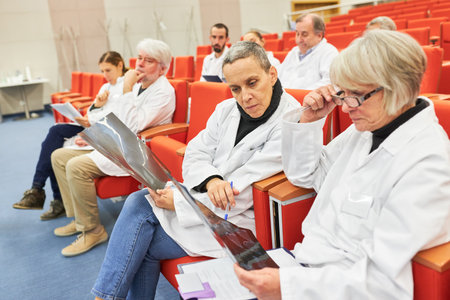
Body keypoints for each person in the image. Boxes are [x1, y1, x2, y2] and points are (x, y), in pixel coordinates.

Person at [234, 30, 450, 299]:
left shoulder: (427, 164)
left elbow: (383, 285)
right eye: (342, 93)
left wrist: (289, 287)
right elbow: (305, 175)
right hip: (305, 264)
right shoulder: (370, 126)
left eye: (355, 95)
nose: (345, 108)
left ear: (397, 88)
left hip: (336, 285)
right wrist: (310, 121)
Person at [91, 41, 301, 300]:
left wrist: (179, 202)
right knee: (140, 208)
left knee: (140, 229)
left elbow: (242, 194)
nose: (245, 96)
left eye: (252, 83)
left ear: (271, 74)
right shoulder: (227, 110)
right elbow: (195, 153)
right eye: (235, 88)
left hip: (238, 221)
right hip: (205, 202)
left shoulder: (291, 121)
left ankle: (104, 297)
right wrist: (212, 179)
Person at [51, 38, 175, 257]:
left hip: (138, 151)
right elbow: (114, 117)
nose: (139, 64)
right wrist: (93, 135)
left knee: (76, 167)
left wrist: (126, 88)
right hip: (118, 141)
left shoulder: (163, 92)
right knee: (59, 156)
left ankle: (92, 231)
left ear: (163, 68)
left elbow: (129, 126)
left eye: (148, 60)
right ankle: (79, 220)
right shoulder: (139, 87)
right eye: (139, 58)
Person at [12, 51, 126, 220]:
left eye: (108, 70)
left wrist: (91, 128)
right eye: (102, 71)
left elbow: (120, 118)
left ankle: (42, 192)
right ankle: (41, 191)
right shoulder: (105, 87)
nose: (104, 75)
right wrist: (96, 106)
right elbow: (91, 113)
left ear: (120, 65)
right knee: (55, 134)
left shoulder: (127, 87)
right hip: (92, 125)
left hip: (104, 131)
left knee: (54, 140)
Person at [278, 13, 338, 90]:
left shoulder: (329, 52)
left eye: (304, 34)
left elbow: (329, 83)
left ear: (319, 35)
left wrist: (299, 95)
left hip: (306, 99)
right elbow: (279, 75)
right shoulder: (293, 52)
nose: (299, 40)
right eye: (297, 34)